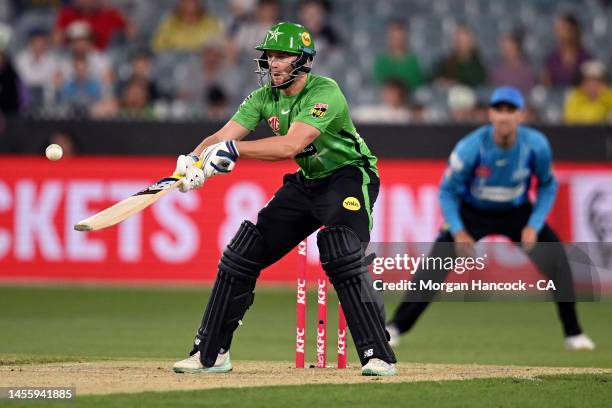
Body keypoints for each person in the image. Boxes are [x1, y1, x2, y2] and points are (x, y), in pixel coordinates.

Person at [171, 22, 397, 376]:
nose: (273, 63)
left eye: (282, 56)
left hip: (349, 177)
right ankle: (211, 354)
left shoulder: (327, 92)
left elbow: (291, 145)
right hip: (306, 182)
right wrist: (189, 163)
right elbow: (220, 135)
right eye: (269, 56)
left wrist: (233, 151)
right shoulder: (263, 98)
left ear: (304, 60)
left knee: (340, 249)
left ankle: (377, 354)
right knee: (243, 251)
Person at [386, 86, 595, 352]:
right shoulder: (471, 148)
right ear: (490, 114)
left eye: (511, 111)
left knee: (559, 263)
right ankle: (395, 328)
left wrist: (534, 224)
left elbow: (547, 185)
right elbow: (448, 191)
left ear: (520, 115)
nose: (504, 117)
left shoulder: (536, 145)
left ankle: (574, 333)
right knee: (434, 267)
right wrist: (459, 230)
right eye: (499, 110)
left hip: (517, 212)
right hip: (473, 212)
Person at [54, 0, 136, 50]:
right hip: (73, 58)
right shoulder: (67, 13)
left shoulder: (108, 13)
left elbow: (132, 31)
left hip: (102, 56)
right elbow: (56, 39)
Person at [152, 0, 222, 53]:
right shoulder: (169, 23)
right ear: (179, 2)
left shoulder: (211, 23)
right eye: (186, 1)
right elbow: (158, 48)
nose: (190, 4)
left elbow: (218, 48)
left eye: (193, 1)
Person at [373, 19, 423, 92]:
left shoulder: (415, 62)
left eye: (400, 37)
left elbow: (418, 86)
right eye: (393, 37)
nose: (397, 40)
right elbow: (379, 85)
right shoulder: (381, 62)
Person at [541, 13, 591, 87]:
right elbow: (545, 84)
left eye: (564, 29)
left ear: (574, 30)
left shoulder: (584, 57)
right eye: (558, 29)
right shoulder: (552, 58)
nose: (560, 33)